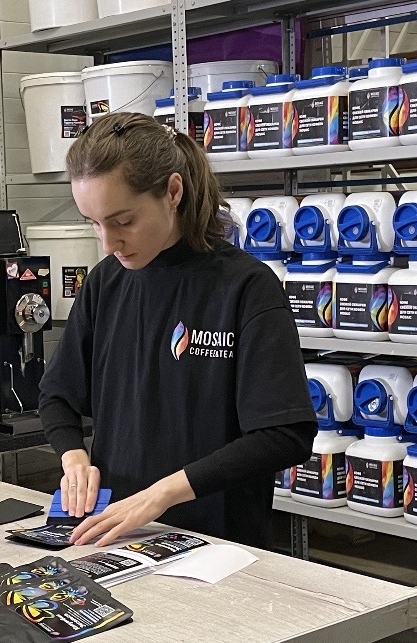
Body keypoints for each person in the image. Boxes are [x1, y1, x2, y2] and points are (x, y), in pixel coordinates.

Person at [38, 112, 317, 550]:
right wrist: (74, 458)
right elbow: (57, 395)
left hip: (217, 545)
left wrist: (162, 494)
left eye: (123, 221)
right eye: (93, 222)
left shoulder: (245, 287)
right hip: (114, 534)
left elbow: (284, 435)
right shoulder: (105, 283)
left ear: (172, 192)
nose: (108, 243)